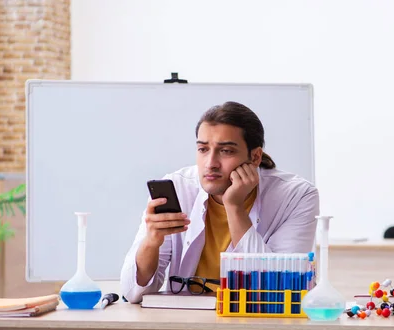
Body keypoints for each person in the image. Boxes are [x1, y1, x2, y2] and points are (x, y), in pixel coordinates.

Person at [120, 101, 319, 303]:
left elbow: (278, 289)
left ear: (255, 156)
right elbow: (132, 293)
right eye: (203, 149)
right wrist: (151, 242)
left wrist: (234, 207)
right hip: (186, 319)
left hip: (256, 325)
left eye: (226, 151)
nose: (210, 163)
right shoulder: (178, 188)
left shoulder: (297, 195)